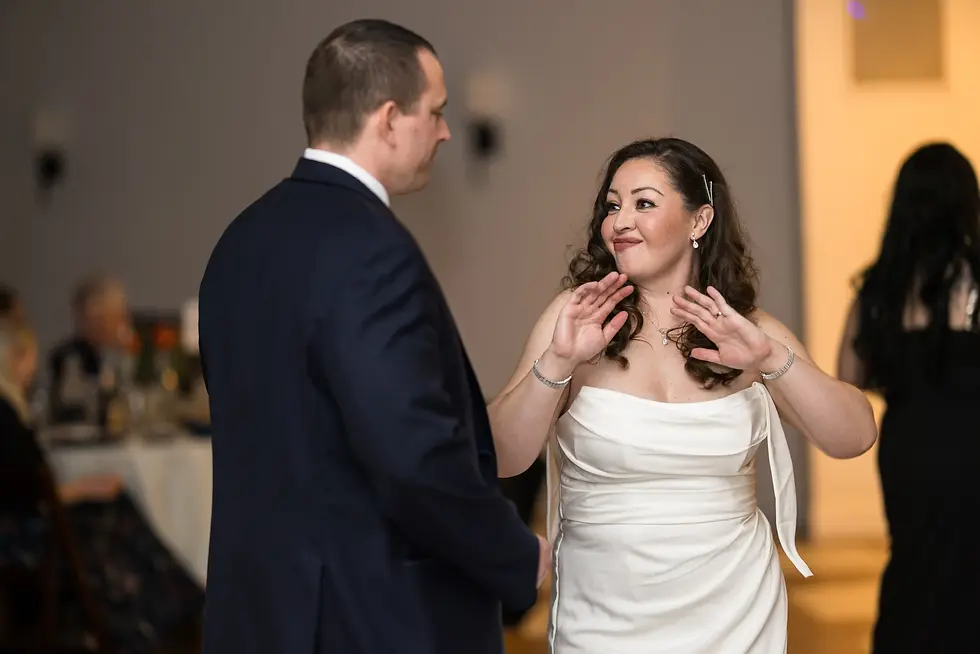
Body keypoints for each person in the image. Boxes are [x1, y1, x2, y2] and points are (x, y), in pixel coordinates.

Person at [198, 19, 548, 654]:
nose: (445, 130)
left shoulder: (239, 241)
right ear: (389, 119)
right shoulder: (371, 251)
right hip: (366, 617)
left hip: (259, 608)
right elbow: (412, 455)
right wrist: (514, 552)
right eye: (435, 112)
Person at [488, 137, 878, 653]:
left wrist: (769, 361)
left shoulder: (747, 331)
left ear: (700, 221)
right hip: (604, 614)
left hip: (734, 611)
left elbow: (853, 436)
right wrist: (558, 362)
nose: (620, 221)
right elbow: (501, 457)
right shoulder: (576, 318)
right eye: (612, 205)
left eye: (643, 203)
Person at [837, 142, 980, 653]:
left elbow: (847, 377)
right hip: (972, 445)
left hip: (910, 445)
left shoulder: (879, 291)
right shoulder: (975, 282)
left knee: (914, 557)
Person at [0, 318, 203, 652]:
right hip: (24, 534)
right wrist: (82, 489)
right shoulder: (6, 416)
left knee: (120, 510)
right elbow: (25, 490)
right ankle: (160, 610)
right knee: (119, 521)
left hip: (26, 524)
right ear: (17, 357)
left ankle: (163, 607)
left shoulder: (9, 412)